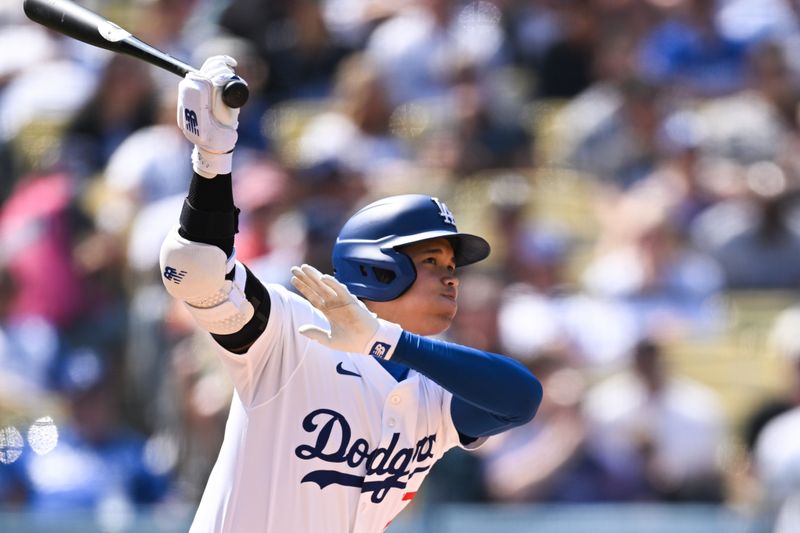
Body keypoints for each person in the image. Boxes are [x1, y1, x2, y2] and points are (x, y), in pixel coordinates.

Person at [159, 56, 542, 532]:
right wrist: (213, 161)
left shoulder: (432, 383)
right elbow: (196, 272)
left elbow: (522, 399)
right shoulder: (296, 331)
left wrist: (385, 340)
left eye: (452, 267)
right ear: (379, 270)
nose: (451, 278)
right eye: (432, 262)